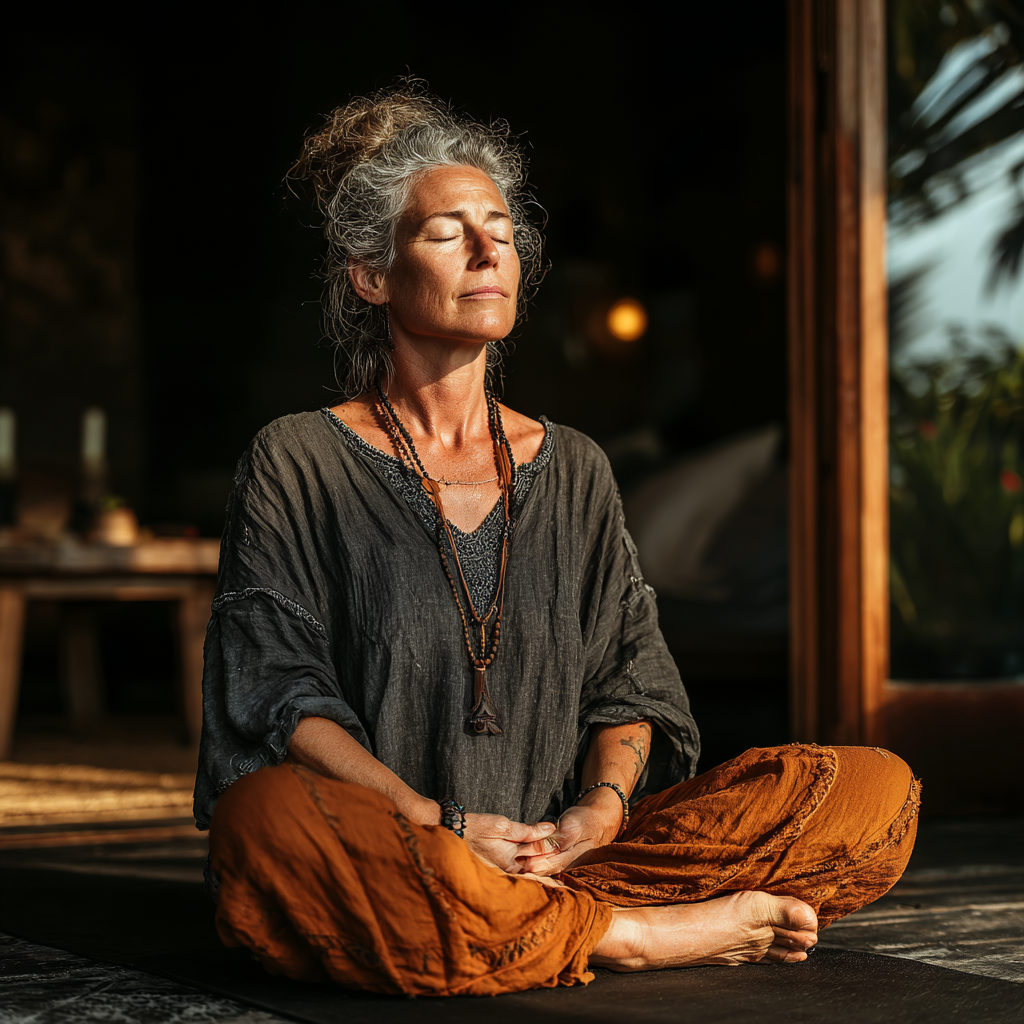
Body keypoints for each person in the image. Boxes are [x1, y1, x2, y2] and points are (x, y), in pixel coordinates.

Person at [194, 85, 920, 997]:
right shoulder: (297, 458)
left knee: (873, 791)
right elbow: (275, 689)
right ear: (372, 277)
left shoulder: (573, 465)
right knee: (264, 825)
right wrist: (437, 822)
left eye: (499, 227)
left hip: (561, 856)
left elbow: (632, 674)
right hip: (397, 847)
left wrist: (599, 812)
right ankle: (635, 938)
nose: (490, 247)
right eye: (446, 231)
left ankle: (541, 923)